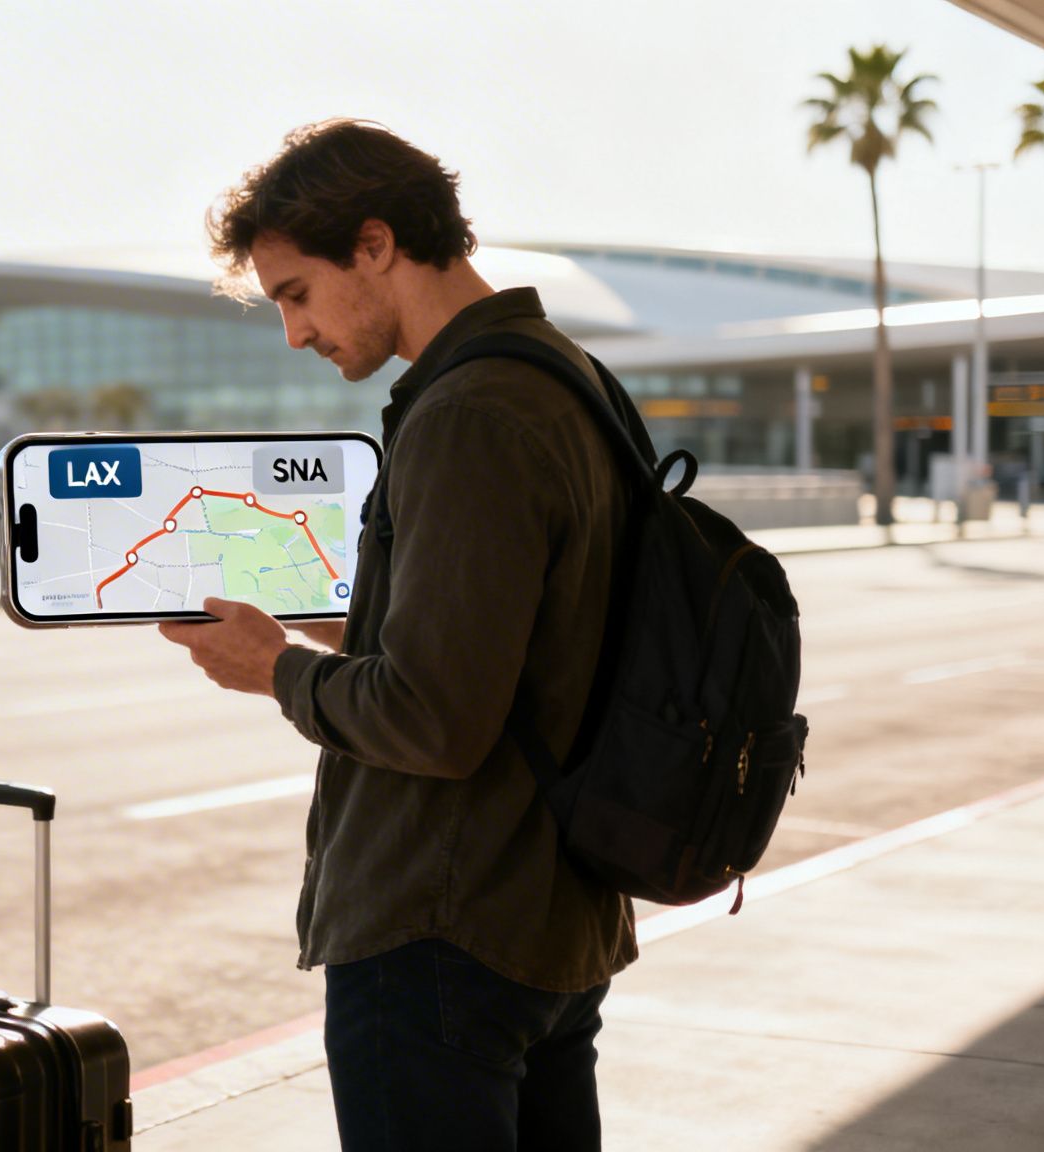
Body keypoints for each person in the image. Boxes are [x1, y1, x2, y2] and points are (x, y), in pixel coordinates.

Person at [158, 120, 637, 1151]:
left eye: (294, 292)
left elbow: (434, 719)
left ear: (373, 244)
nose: (292, 332)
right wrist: (335, 623)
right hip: (554, 920)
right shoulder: (569, 380)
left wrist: (273, 670)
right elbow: (518, 643)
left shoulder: (469, 413)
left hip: (440, 934)